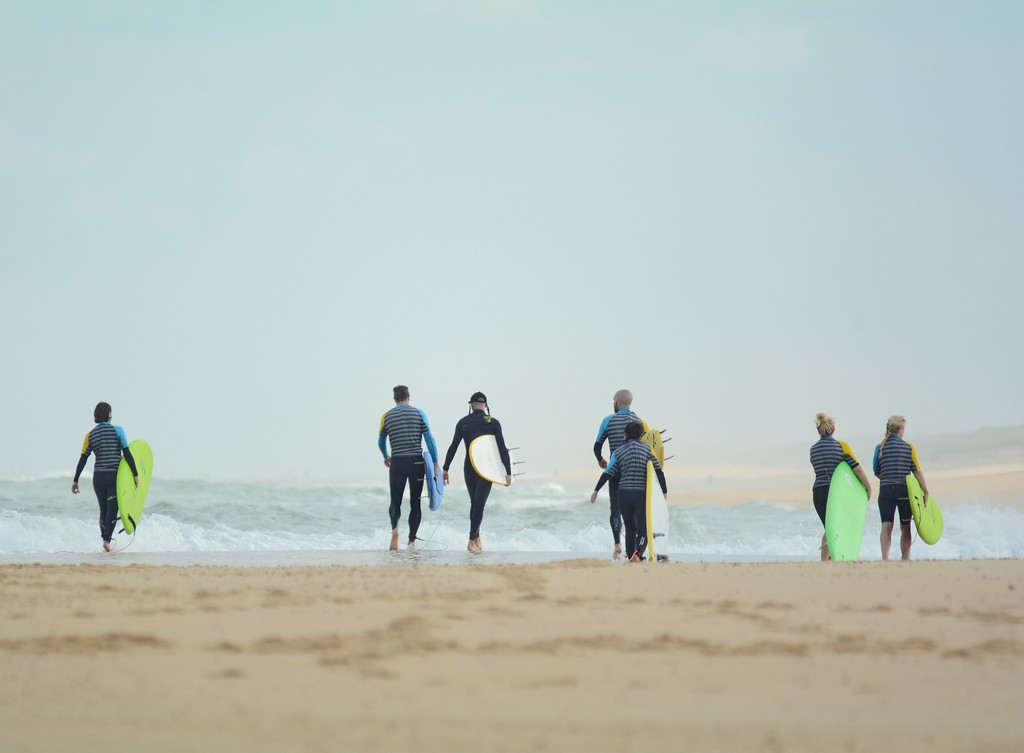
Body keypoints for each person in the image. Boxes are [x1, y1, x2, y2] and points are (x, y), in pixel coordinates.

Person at [442, 392, 511, 553]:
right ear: (485, 405)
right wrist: (508, 471)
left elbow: (453, 447)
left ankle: (476, 537)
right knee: (479, 504)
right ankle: (471, 540)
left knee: (475, 503)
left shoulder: (463, 422)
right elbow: (502, 448)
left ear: (471, 404)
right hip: (487, 468)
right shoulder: (493, 422)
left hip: (469, 467)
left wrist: (446, 468)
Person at [591, 421, 666, 562]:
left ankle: (631, 555)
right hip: (640, 494)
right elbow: (658, 470)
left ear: (625, 434)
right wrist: (664, 491)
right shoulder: (647, 449)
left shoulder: (618, 451)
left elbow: (608, 472)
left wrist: (596, 490)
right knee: (643, 529)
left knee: (630, 529)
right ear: (641, 435)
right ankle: (637, 554)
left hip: (623, 494)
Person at [378, 385, 440, 551]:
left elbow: (381, 441)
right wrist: (435, 462)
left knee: (395, 500)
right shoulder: (419, 413)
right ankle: (411, 542)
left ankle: (395, 530)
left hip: (397, 462)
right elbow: (429, 439)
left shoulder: (387, 416)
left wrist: (386, 456)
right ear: (408, 397)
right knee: (415, 503)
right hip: (416, 463)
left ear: (394, 399)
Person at [71, 402, 138, 552]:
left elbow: (83, 458)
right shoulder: (118, 430)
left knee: (103, 510)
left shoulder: (90, 435)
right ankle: (107, 541)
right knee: (112, 510)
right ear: (109, 414)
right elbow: (127, 453)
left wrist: (76, 480)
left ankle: (105, 540)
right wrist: (135, 474)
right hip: (113, 476)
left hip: (98, 478)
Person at [810, 412, 872, 561]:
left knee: (829, 528)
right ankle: (835, 557)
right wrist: (868, 487)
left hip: (818, 492)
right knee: (836, 528)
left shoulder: (813, 449)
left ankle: (826, 560)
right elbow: (857, 468)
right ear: (833, 429)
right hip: (835, 493)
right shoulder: (841, 446)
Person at [593, 389, 646, 559]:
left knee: (615, 509)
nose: (613, 404)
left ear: (618, 402)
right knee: (635, 511)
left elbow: (597, 446)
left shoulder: (608, 420)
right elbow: (644, 447)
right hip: (635, 473)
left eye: (613, 401)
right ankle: (635, 549)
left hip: (615, 471)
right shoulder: (640, 422)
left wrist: (601, 460)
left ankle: (617, 544)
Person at [872, 415, 931, 561]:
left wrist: (888, 479)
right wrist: (925, 491)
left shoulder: (879, 447)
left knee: (886, 526)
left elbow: (876, 471)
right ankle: (905, 559)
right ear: (900, 429)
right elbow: (916, 471)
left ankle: (885, 559)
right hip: (903, 491)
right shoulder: (908, 447)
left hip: (885, 491)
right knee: (905, 526)